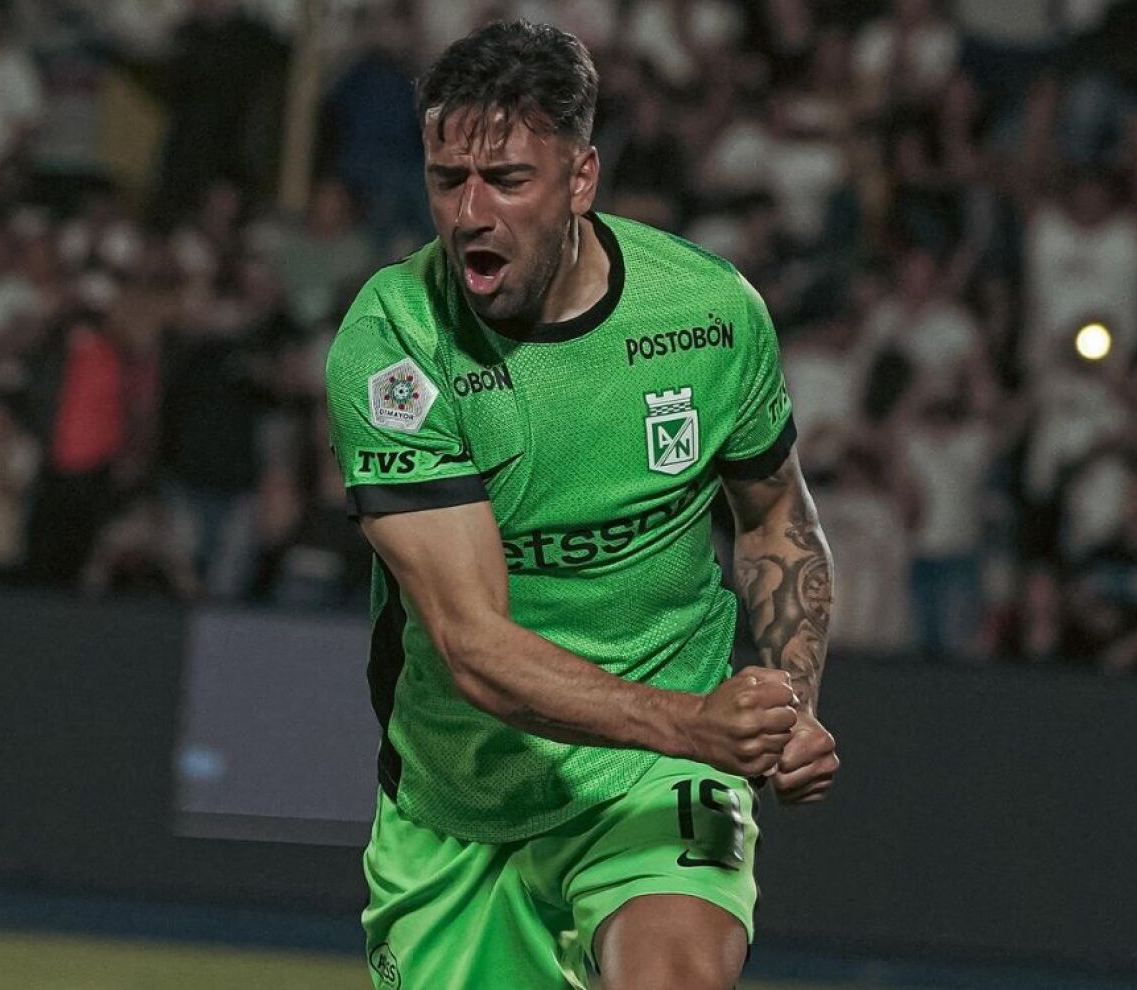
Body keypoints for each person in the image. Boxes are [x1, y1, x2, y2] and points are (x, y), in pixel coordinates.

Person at [323, 22, 838, 990]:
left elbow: (775, 519)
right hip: (460, 806)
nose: (470, 213)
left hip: (656, 786)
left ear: (582, 177)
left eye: (509, 180)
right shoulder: (393, 345)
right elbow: (473, 646)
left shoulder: (709, 313)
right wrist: (696, 721)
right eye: (447, 180)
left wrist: (785, 705)